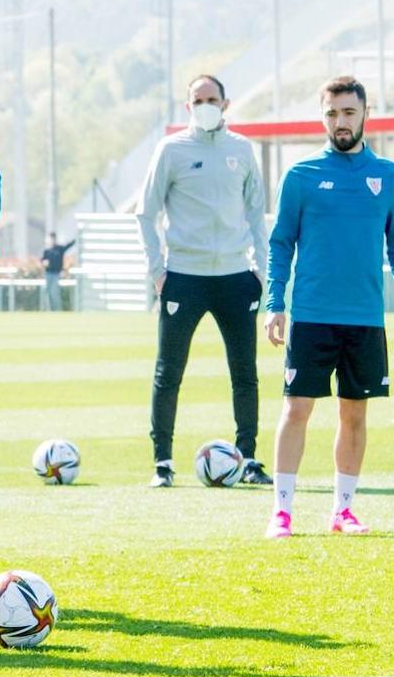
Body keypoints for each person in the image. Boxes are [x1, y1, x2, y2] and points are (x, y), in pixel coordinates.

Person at [263, 76, 393, 538]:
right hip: (313, 315)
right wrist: (275, 303)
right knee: (296, 409)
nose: (341, 122)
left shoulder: (389, 176)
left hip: (364, 319)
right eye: (332, 113)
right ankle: (281, 512)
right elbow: (281, 244)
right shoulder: (300, 177)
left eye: (349, 112)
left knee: (354, 413)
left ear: (365, 114)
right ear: (323, 117)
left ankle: (344, 510)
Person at [134, 74, 272, 488]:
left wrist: (261, 272)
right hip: (184, 277)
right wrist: (158, 271)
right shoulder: (171, 149)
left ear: (226, 104)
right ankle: (163, 462)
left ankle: (248, 458)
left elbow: (256, 213)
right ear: (187, 105)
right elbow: (146, 212)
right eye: (198, 100)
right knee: (168, 372)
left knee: (244, 372)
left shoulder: (243, 149)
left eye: (212, 99)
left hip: (235, 277)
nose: (205, 105)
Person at [40, 232, 74, 311]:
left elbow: (68, 246)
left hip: (56, 274)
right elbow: (42, 260)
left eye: (53, 239)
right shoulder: (47, 251)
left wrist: (75, 239)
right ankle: (48, 310)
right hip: (48, 274)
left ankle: (57, 310)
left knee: (55, 293)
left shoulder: (60, 249)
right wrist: (43, 262)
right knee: (47, 292)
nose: (52, 241)